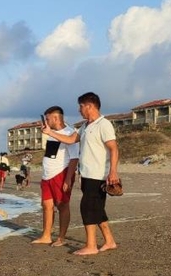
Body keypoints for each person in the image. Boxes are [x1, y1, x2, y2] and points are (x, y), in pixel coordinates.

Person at [42, 92, 119, 255]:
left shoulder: (103, 124)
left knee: (87, 208)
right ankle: (109, 241)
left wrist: (113, 172)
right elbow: (70, 140)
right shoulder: (85, 126)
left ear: (89, 106)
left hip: (98, 175)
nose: (79, 110)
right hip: (86, 175)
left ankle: (91, 246)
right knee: (97, 209)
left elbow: (113, 148)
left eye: (81, 106)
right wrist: (50, 133)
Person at [31, 106, 79, 247]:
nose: (46, 122)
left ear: (56, 118)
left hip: (61, 173)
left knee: (62, 205)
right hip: (47, 176)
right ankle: (46, 236)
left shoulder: (70, 133)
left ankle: (61, 237)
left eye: (47, 119)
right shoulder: (51, 133)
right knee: (47, 205)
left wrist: (68, 179)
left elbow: (74, 158)